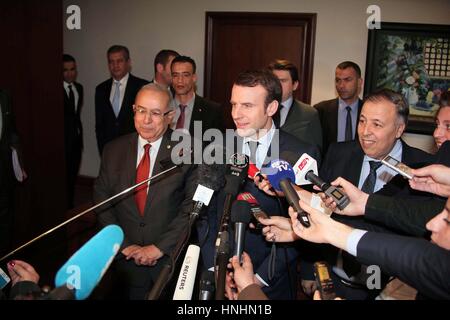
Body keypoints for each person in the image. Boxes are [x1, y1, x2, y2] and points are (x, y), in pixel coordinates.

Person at [199, 70, 320, 300]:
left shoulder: (301, 155)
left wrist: (258, 280)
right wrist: (218, 269)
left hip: (272, 282)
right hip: (221, 278)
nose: (237, 114)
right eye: (234, 104)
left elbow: (306, 226)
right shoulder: (217, 148)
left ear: (271, 108)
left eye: (247, 106)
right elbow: (205, 215)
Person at [94, 83, 197, 299]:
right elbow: (102, 202)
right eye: (141, 111)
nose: (146, 120)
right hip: (124, 264)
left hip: (168, 262)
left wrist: (159, 248)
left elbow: (191, 208)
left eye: (155, 113)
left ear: (170, 115)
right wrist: (124, 246)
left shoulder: (189, 151)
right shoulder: (113, 149)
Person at [95, 45, 149, 154]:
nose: (115, 65)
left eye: (119, 61)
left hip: (135, 148)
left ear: (128, 62)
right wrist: (103, 150)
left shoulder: (142, 86)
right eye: (111, 62)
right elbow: (99, 124)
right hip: (109, 150)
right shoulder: (101, 89)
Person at [268, 59, 322, 152]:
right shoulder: (260, 109)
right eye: (274, 80)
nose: (278, 85)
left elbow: (316, 151)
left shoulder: (309, 114)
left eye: (283, 81)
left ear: (295, 85)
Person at [314, 61, 363, 154]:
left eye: (347, 80)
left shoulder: (368, 111)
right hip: (329, 166)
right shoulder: (320, 110)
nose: (341, 85)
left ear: (359, 82)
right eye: (338, 80)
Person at [170, 55, 224, 136]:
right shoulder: (163, 108)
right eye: (175, 75)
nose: (180, 80)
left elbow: (219, 146)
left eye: (185, 75)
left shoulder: (212, 111)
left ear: (194, 78)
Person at [0, 89, 25, 255]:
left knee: (4, 219)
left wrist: (19, 164)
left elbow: (12, 132)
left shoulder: (5, 96)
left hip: (4, 169)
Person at [63, 54, 84, 209]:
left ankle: (69, 205)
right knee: (62, 177)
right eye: (66, 70)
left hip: (76, 140)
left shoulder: (79, 88)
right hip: (62, 142)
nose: (70, 73)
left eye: (73, 69)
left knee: (72, 176)